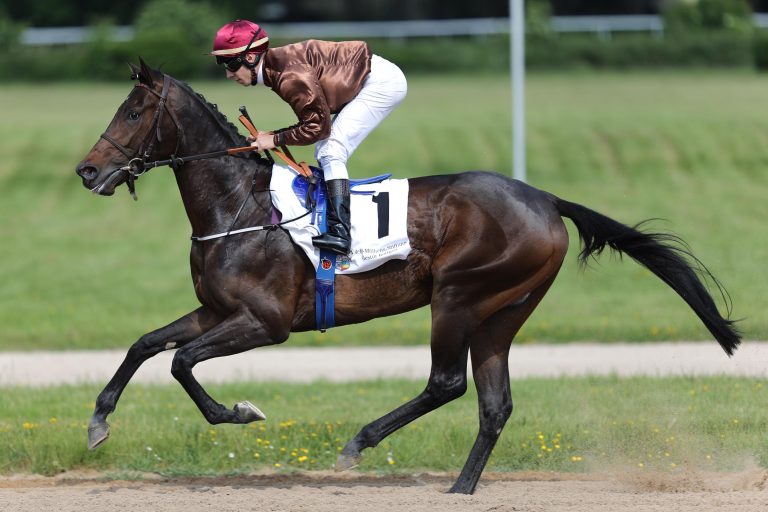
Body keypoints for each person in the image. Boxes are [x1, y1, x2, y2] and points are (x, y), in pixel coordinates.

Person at [210, 19, 408, 256]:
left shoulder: (288, 76)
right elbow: (315, 122)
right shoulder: (276, 69)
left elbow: (317, 128)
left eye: (230, 64)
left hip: (380, 83)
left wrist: (273, 139)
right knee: (325, 150)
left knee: (331, 150)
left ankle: (341, 232)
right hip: (366, 76)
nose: (228, 74)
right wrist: (273, 136)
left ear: (250, 58)